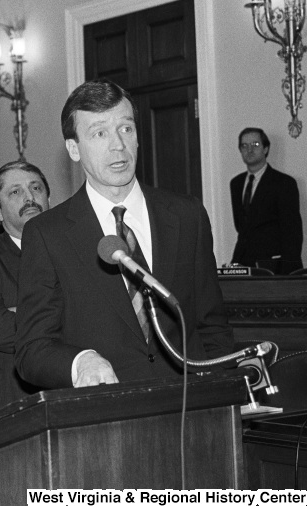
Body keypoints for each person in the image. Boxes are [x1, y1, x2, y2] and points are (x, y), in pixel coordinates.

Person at [15, 79, 234, 389]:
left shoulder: (187, 215)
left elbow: (213, 327)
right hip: (105, 418)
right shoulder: (47, 234)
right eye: (100, 133)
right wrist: (80, 363)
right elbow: (31, 351)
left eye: (126, 129)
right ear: (74, 149)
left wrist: (222, 395)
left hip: (189, 410)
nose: (117, 144)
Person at [0, 160, 48, 412]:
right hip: (9, 401)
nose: (29, 198)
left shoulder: (73, 252)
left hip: (67, 393)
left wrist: (21, 311)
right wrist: (65, 315)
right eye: (15, 192)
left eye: (36, 188)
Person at [230, 127, 303, 273]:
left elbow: (292, 232)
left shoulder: (284, 183)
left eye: (255, 145)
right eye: (244, 146)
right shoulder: (236, 183)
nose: (249, 150)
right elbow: (242, 227)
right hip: (243, 263)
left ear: (265, 148)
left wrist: (287, 272)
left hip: (274, 265)